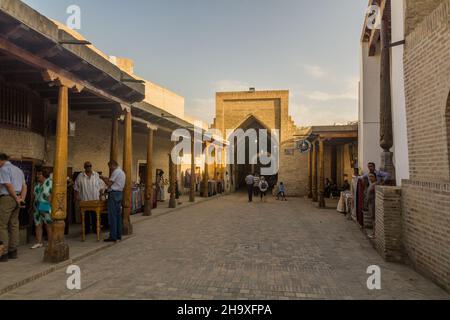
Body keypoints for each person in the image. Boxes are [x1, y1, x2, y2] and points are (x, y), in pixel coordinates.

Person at [0, 153, 27, 262]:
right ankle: (13, 251)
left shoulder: (3, 169)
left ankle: (3, 252)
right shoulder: (18, 170)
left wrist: (15, 198)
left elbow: (8, 185)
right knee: (14, 224)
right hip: (18, 198)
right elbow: (24, 186)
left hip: (7, 198)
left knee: (2, 225)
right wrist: (21, 199)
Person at [74, 162, 106, 235]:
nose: (89, 167)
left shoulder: (96, 175)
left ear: (91, 167)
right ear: (84, 167)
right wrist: (76, 197)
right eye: (87, 166)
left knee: (95, 216)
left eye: (90, 166)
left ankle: (95, 229)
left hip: (95, 200)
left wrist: (101, 195)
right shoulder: (80, 176)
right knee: (85, 217)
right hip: (85, 200)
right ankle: (86, 230)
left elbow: (102, 186)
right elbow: (76, 187)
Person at [100, 160, 125, 242]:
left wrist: (103, 178)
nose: (110, 169)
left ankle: (113, 236)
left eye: (109, 167)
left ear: (112, 165)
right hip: (119, 193)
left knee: (112, 216)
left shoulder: (116, 171)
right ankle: (118, 234)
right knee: (117, 215)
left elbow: (109, 183)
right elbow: (114, 182)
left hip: (114, 194)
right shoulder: (121, 172)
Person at [30, 168, 53, 249]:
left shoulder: (50, 183)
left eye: (39, 174)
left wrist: (48, 206)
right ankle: (39, 242)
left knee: (48, 225)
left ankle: (50, 243)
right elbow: (34, 196)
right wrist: (31, 207)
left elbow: (51, 195)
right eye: (37, 174)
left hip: (45, 206)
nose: (37, 176)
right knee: (37, 224)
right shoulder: (37, 185)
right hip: (36, 206)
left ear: (44, 175)